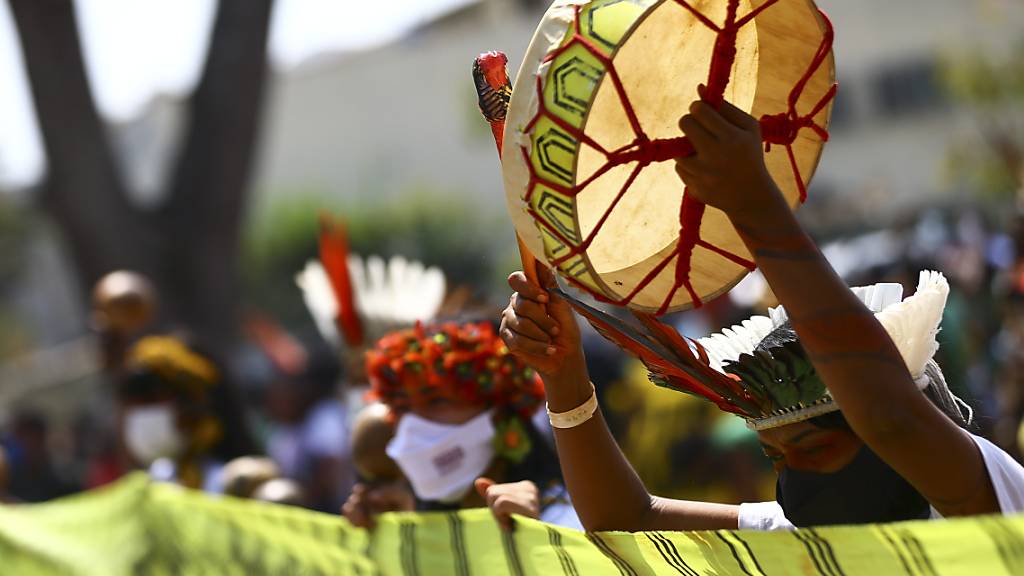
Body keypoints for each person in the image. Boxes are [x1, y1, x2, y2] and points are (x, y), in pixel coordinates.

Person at [500, 87, 1024, 530]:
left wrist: (752, 201)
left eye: (813, 451)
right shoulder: (801, 532)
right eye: (775, 457)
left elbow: (890, 420)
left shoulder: (991, 498)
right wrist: (564, 373)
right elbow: (627, 521)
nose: (793, 484)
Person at [342, 321, 581, 530]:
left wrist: (539, 539)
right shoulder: (409, 520)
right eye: (402, 408)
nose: (413, 425)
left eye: (436, 401)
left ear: (498, 414)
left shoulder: (567, 518)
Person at [117, 335, 254, 492]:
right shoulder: (155, 481)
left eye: (152, 399)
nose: (141, 413)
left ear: (195, 405)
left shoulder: (240, 485)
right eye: (134, 404)